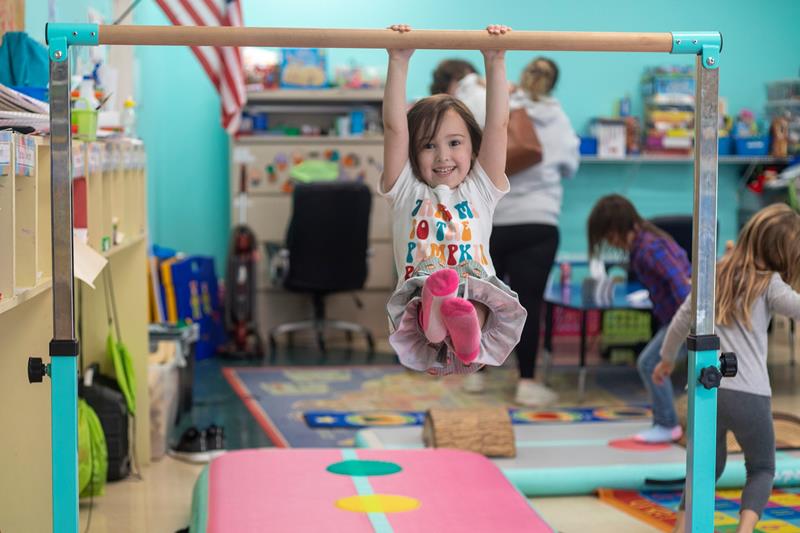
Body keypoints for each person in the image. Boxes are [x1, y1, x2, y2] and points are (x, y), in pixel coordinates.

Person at [380, 23, 526, 376]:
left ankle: (462, 328)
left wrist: (495, 59)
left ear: (473, 147)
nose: (443, 156)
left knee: (471, 296)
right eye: (428, 145)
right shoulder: (405, 189)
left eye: (454, 143)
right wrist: (398, 60)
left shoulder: (480, 188)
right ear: (413, 153)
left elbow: (498, 126)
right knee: (432, 289)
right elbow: (395, 127)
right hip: (420, 294)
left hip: (472, 288)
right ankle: (439, 314)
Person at [655, 203, 800, 533]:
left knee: (704, 467)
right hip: (750, 393)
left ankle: (682, 526)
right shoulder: (770, 283)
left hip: (704, 391)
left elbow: (681, 319)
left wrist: (666, 359)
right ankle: (744, 530)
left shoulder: (714, 272)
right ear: (784, 253)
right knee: (762, 467)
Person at [587, 194, 690, 443]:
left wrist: (688, 326)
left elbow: (682, 287)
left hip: (687, 319)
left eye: (609, 237)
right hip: (679, 317)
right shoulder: (643, 246)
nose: (612, 243)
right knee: (650, 362)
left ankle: (667, 424)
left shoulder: (649, 248)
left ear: (618, 229)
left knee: (649, 362)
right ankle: (665, 421)